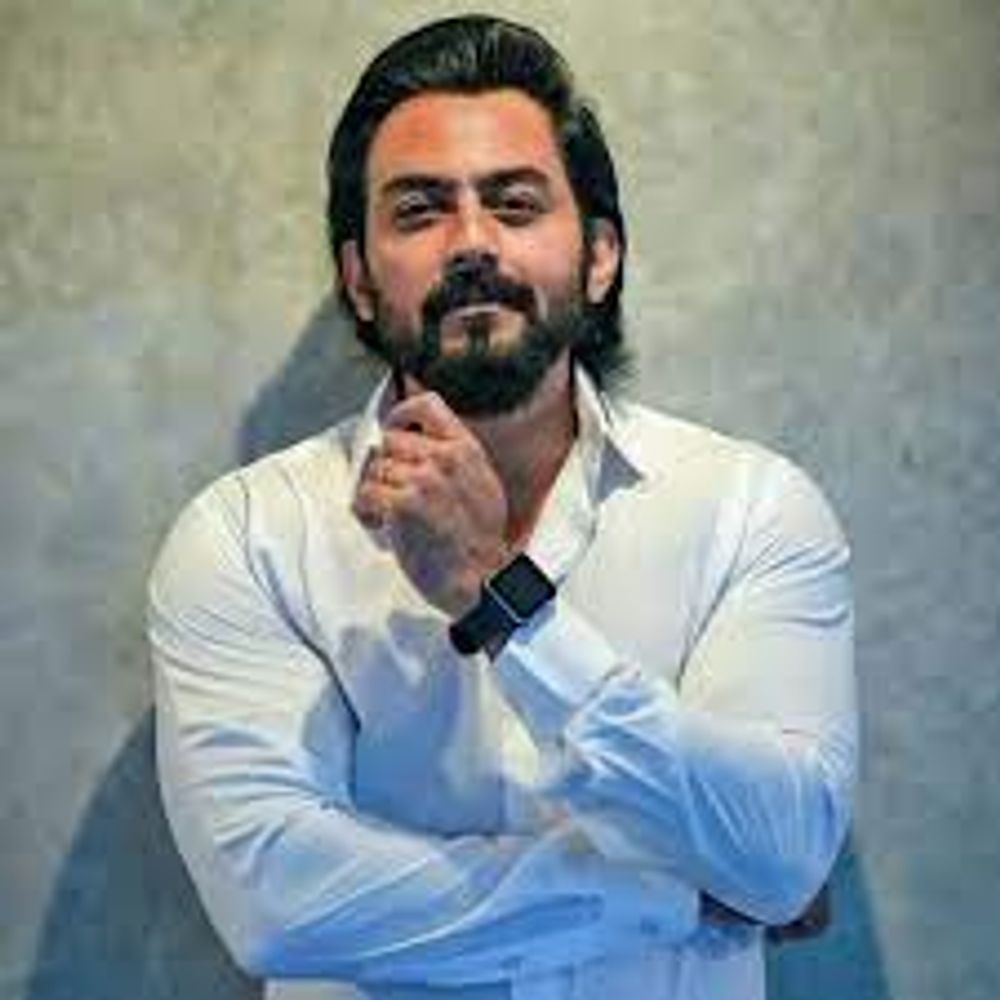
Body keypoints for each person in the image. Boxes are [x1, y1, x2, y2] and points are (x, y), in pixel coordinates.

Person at [148, 14, 857, 1000]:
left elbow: (782, 852)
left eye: (516, 204)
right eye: (419, 211)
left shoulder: (751, 511)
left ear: (600, 256)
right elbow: (278, 904)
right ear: (359, 279)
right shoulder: (246, 539)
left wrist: (502, 598)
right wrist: (675, 895)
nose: (472, 242)